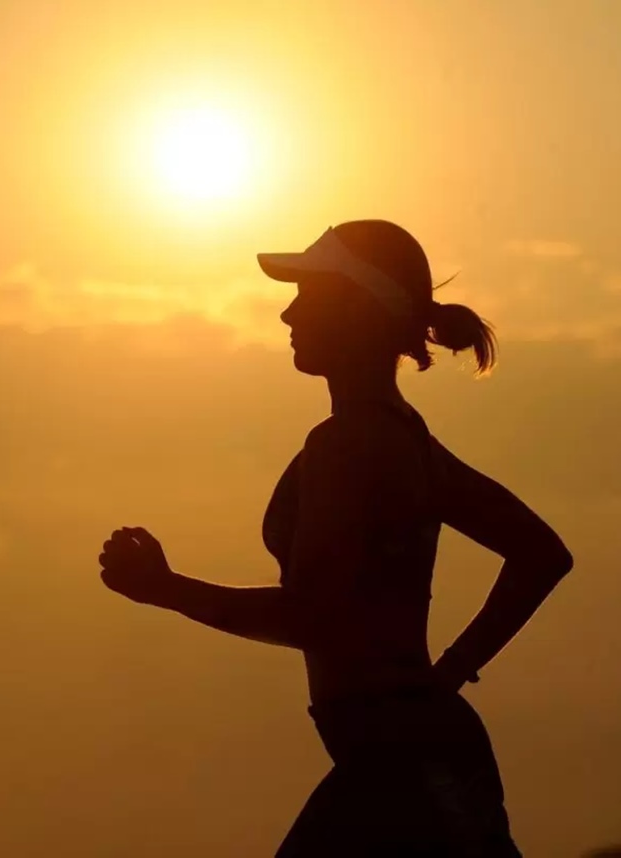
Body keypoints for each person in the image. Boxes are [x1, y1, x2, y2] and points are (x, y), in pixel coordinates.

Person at [97, 220, 574, 856]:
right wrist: (449, 673)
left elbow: (315, 616)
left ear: (357, 308)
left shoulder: (348, 445)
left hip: (399, 767)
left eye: (308, 294)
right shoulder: (406, 439)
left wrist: (167, 589)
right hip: (418, 754)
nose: (287, 313)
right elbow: (543, 554)